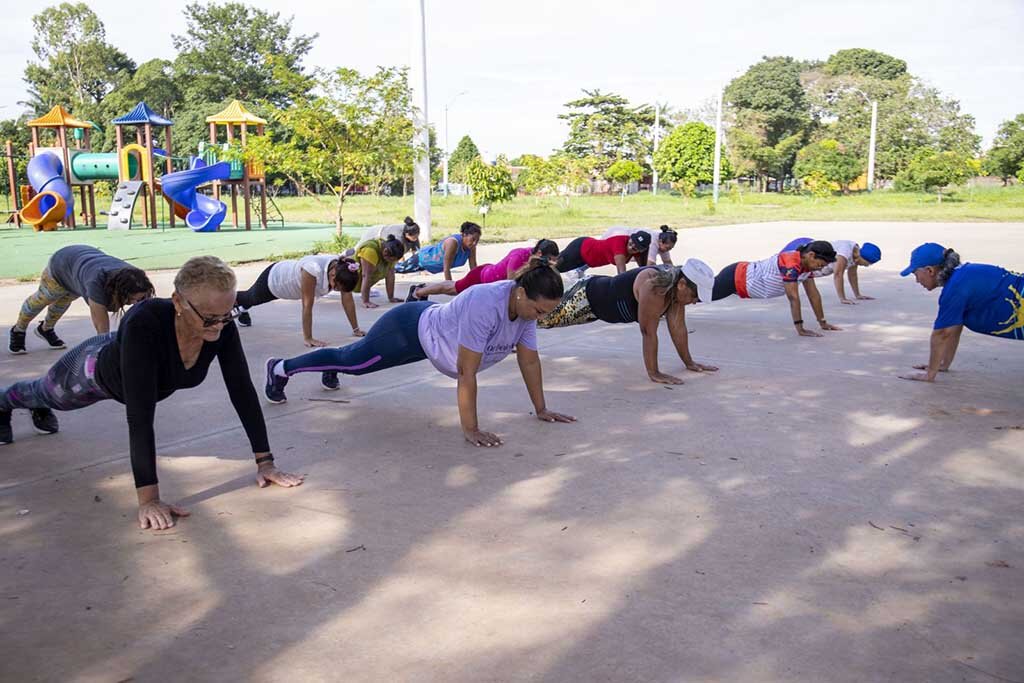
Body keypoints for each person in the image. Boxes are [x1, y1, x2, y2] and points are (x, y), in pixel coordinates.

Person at [0, 256, 304, 530]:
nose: (219, 326)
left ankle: (33, 406)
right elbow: (140, 417)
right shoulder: (145, 321)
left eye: (226, 315)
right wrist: (149, 499)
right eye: (210, 318)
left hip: (126, 362)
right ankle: (5, 402)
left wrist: (266, 462)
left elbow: (242, 390)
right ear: (178, 302)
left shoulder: (221, 325)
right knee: (44, 393)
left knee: (43, 398)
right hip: (91, 372)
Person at [264, 259, 576, 447]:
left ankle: (331, 365)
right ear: (521, 292)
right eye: (539, 310)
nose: (541, 317)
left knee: (351, 359)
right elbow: (466, 372)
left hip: (430, 335)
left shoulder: (525, 313)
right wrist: (471, 430)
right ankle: (280, 367)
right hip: (407, 331)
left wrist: (542, 409)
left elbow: (529, 360)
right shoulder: (487, 303)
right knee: (353, 363)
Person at [540, 260, 718, 384]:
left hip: (598, 305)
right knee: (540, 317)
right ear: (682, 284)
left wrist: (689, 363)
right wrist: (654, 372)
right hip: (586, 298)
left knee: (537, 316)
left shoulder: (675, 293)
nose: (695, 301)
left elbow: (678, 328)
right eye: (695, 296)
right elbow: (648, 332)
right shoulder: (654, 287)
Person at [898, 243, 1023, 383]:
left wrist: (929, 375)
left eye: (916, 274)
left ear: (929, 270)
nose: (916, 281)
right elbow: (953, 327)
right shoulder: (963, 275)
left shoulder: (955, 287)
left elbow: (942, 333)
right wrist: (942, 365)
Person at [9, 245, 154, 354]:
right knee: (43, 298)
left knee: (63, 302)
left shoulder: (138, 279)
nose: (136, 303)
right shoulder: (96, 283)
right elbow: (101, 327)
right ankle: (18, 330)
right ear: (121, 292)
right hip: (62, 264)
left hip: (80, 267)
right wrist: (105, 353)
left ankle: (45, 329)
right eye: (133, 300)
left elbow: (147, 311)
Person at [711, 240, 841, 337]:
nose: (820, 269)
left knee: (702, 292)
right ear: (811, 255)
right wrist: (800, 329)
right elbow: (793, 297)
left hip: (742, 280)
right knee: (699, 296)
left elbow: (814, 295)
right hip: (736, 277)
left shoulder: (806, 267)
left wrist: (822, 322)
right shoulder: (791, 264)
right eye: (820, 265)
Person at [235, 254, 363, 343]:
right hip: (275, 280)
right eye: (337, 287)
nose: (336, 290)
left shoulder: (342, 269)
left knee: (249, 300)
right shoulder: (312, 270)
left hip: (286, 283)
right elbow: (307, 306)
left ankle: (243, 308)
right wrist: (308, 338)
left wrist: (356, 329)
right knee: (249, 298)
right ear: (332, 274)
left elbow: (348, 301)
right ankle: (223, 300)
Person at [407, 239, 560, 300]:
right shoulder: (520, 255)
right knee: (452, 289)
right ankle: (418, 291)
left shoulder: (536, 257)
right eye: (548, 260)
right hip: (481, 277)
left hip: (490, 278)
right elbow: (510, 282)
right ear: (539, 253)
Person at [782, 237, 882, 304]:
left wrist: (858, 295)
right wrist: (843, 298)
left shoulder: (855, 255)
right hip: (799, 251)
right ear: (861, 256)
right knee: (779, 277)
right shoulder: (844, 252)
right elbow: (838, 275)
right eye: (865, 264)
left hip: (810, 265)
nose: (864, 266)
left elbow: (853, 275)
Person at [394, 221, 481, 280]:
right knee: (398, 268)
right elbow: (446, 268)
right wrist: (449, 286)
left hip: (429, 267)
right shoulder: (453, 243)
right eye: (473, 239)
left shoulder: (471, 247)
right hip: (422, 259)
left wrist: (477, 283)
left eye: (477, 240)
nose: (474, 243)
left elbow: (473, 267)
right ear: (463, 235)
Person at [555, 232, 652, 275]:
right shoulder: (619, 244)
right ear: (630, 238)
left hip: (586, 260)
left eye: (636, 248)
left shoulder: (640, 253)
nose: (631, 247)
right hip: (581, 248)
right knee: (556, 266)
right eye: (631, 243)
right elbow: (622, 274)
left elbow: (643, 270)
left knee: (557, 268)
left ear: (642, 250)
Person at [354, 235, 406, 309]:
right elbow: (366, 276)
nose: (392, 262)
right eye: (391, 260)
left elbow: (390, 274)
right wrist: (366, 301)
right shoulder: (370, 251)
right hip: (348, 279)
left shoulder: (390, 251)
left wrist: (391, 298)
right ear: (385, 252)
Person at [600, 225, 678, 266]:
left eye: (670, 248)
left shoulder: (663, 242)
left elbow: (667, 262)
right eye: (668, 248)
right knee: (601, 256)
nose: (668, 250)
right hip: (614, 235)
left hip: (626, 244)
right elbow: (650, 264)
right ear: (660, 241)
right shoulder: (652, 240)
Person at [351, 216, 421, 255]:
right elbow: (398, 255)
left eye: (417, 236)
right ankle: (342, 256)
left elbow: (416, 252)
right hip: (375, 233)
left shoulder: (413, 231)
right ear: (406, 234)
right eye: (414, 237)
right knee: (357, 250)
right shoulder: (398, 237)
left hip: (385, 237)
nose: (416, 238)